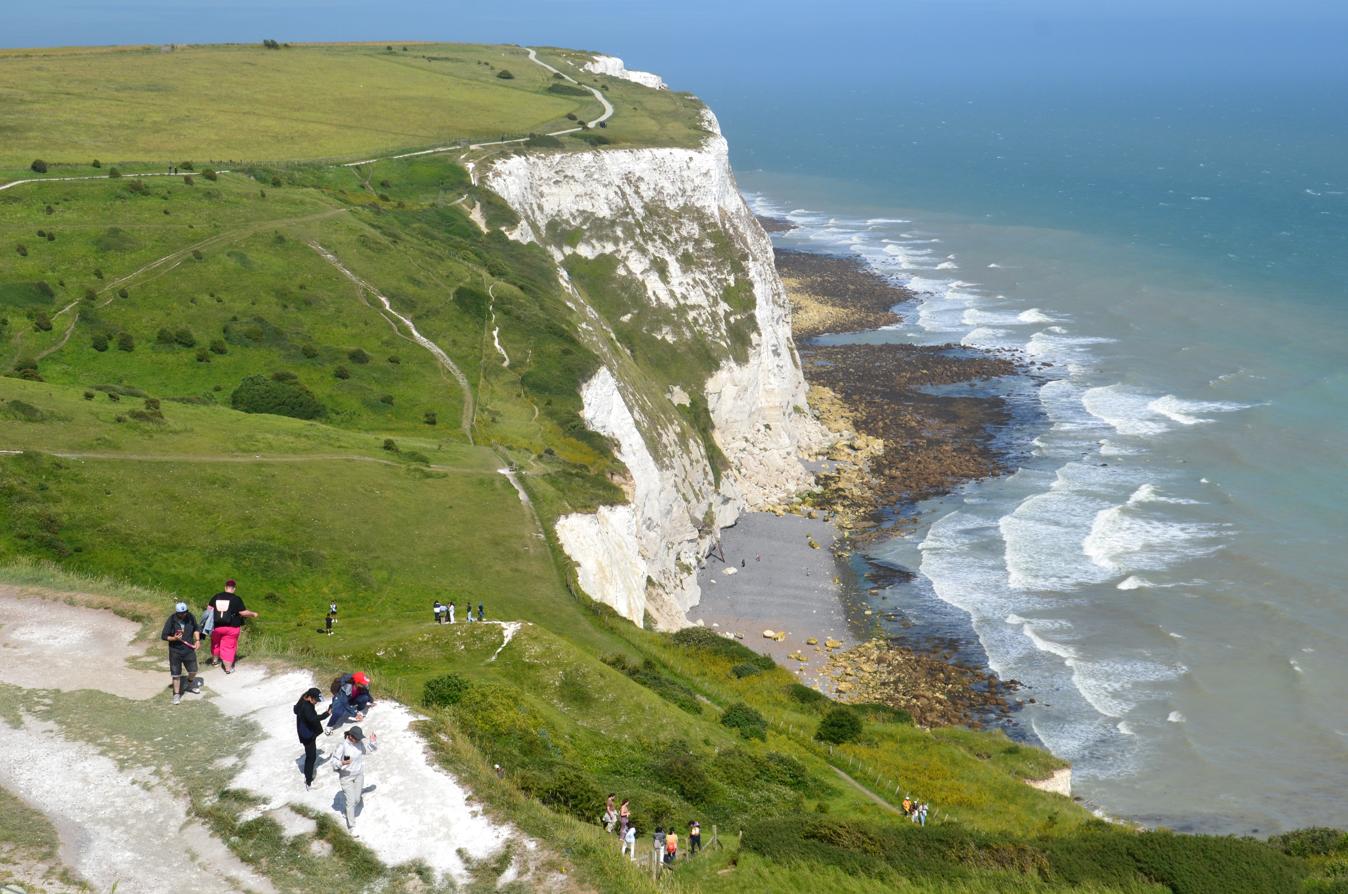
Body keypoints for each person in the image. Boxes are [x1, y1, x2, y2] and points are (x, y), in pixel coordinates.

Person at [333, 725, 378, 833]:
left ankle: (347, 812)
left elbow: (366, 750)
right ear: (350, 736)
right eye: (357, 738)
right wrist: (342, 763)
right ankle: (351, 826)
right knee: (351, 801)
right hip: (346, 777)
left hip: (358, 775)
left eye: (359, 738)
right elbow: (334, 762)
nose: (358, 740)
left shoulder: (359, 743)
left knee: (357, 799)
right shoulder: (342, 746)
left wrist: (372, 743)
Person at [208, 579, 257, 673]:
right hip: (232, 627)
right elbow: (243, 612)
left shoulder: (216, 597)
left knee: (215, 643)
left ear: (225, 587)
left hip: (216, 626)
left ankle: (214, 661)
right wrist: (253, 614)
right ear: (234, 589)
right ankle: (228, 669)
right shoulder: (236, 599)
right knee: (228, 647)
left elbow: (209, 609)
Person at [161, 601, 201, 705]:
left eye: (185, 612)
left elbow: (196, 629)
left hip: (188, 650)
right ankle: (176, 694)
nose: (184, 614)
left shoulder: (190, 617)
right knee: (176, 674)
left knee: (193, 671)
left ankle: (189, 684)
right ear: (177, 612)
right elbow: (164, 636)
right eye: (181, 613)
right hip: (175, 651)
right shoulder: (172, 620)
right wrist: (174, 638)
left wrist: (197, 640)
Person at [293, 687, 330, 788]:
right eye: (316, 700)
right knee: (311, 757)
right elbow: (313, 719)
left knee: (310, 755)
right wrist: (327, 714)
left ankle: (308, 776)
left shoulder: (304, 700)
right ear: (310, 697)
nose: (317, 702)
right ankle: (308, 781)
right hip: (307, 735)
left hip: (305, 732)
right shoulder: (306, 707)